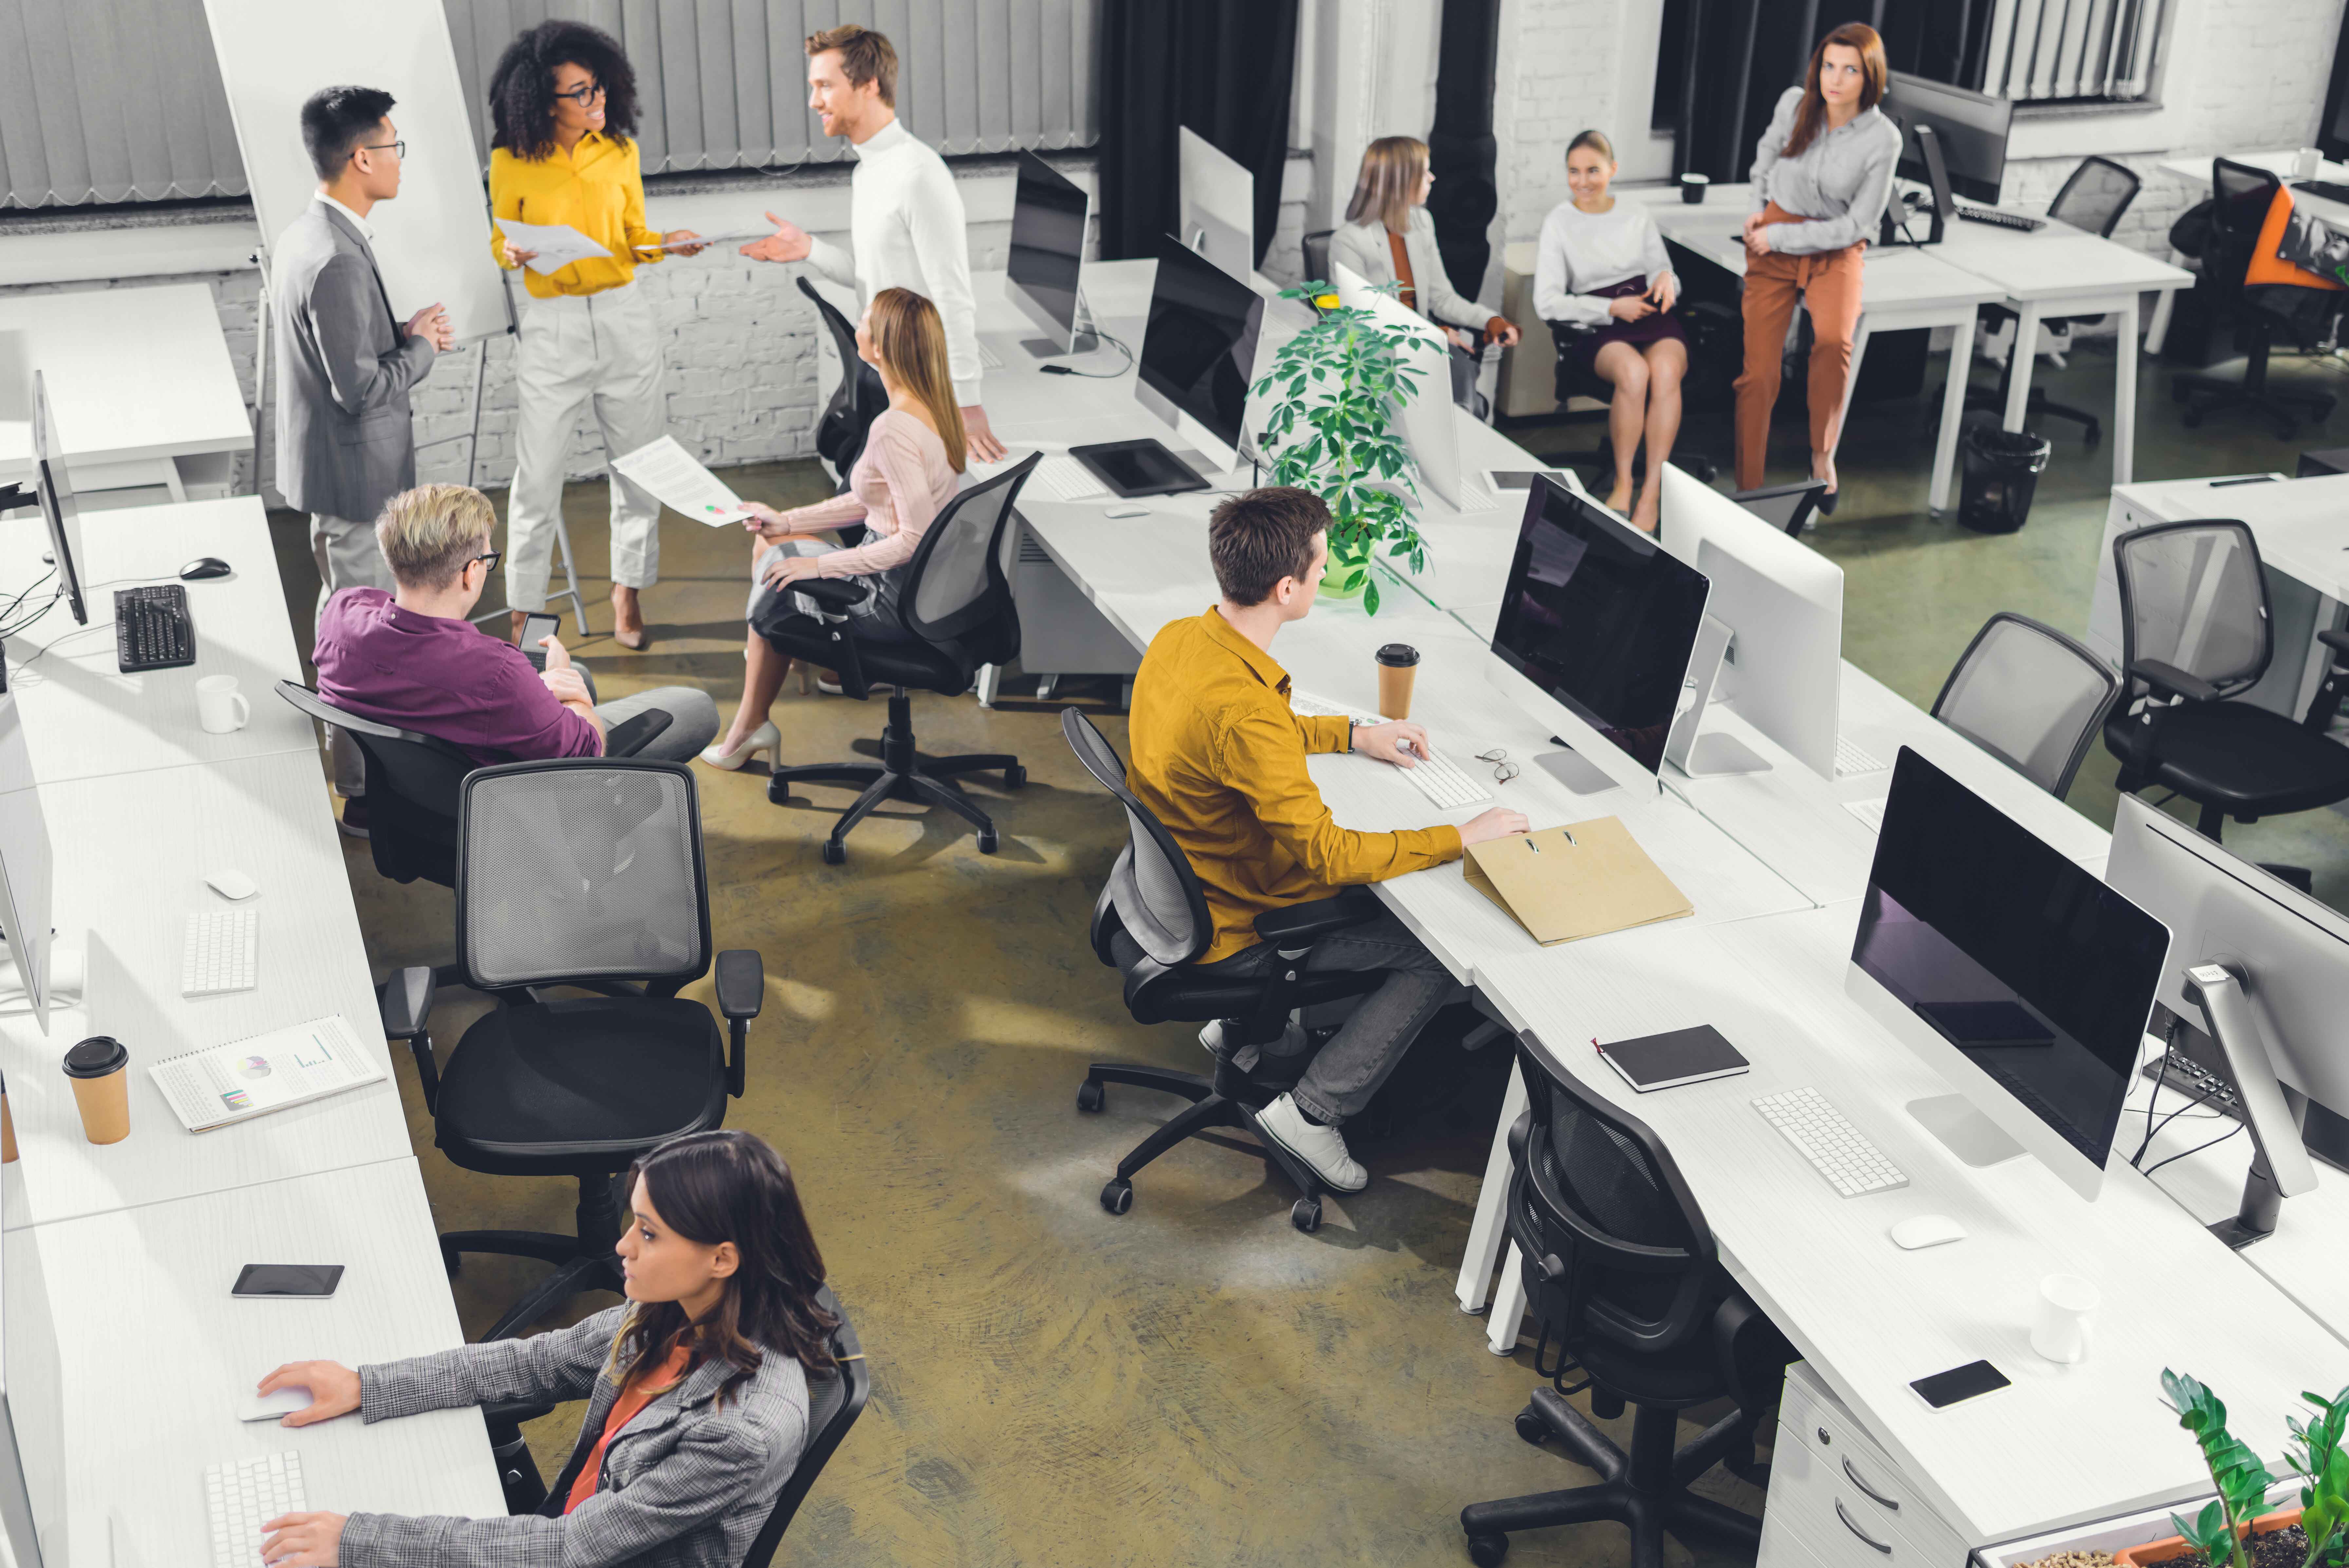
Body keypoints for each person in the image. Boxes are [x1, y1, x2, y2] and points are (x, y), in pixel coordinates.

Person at [1125, 487, 1529, 1193]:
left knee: (1388, 902)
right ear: (1288, 588)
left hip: (1181, 892)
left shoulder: (1182, 638)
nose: (1321, 577)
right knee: (1437, 954)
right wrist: (1459, 834)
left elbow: (1248, 739)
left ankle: (1243, 1029)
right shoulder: (1247, 709)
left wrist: (1351, 733)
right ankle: (1313, 1111)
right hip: (1239, 919)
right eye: (1319, 569)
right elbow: (1330, 854)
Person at [252, 1131, 832, 1568]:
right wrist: (370, 1386)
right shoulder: (673, 1307)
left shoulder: (738, 1432)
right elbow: (539, 1362)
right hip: (575, 1525)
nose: (622, 1246)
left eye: (649, 1233)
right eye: (634, 1221)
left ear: (722, 1258)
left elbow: (572, 1547)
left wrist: (358, 1540)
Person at [487, 19, 705, 652]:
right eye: (580, 93)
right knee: (537, 478)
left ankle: (627, 592)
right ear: (541, 101)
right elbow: (502, 239)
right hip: (553, 329)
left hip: (622, 316)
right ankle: (527, 613)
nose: (597, 100)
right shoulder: (511, 162)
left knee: (639, 467)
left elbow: (633, 236)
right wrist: (514, 253)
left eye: (599, 87)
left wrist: (666, 243)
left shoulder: (621, 152)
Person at [272, 85, 453, 839]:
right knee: (363, 643)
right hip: (357, 478)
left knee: (342, 618)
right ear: (361, 158)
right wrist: (421, 348)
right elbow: (360, 390)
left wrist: (396, 332)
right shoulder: (337, 260)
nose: (401, 160)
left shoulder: (310, 234)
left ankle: (355, 773)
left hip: (334, 472)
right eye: (395, 146)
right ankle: (361, 792)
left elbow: (339, 359)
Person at [703, 288, 965, 771]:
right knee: (771, 539)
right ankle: (772, 673)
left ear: (881, 348)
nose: (857, 330)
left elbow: (911, 540)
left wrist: (819, 564)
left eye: (863, 324)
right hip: (928, 589)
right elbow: (871, 499)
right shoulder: (932, 404)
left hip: (890, 601)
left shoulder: (893, 429)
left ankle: (751, 714)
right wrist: (789, 520)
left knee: (776, 578)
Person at [738, 24, 1006, 463]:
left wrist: (968, 402)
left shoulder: (918, 175)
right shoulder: (869, 171)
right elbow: (875, 277)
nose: (814, 101)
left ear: (869, 85)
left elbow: (952, 295)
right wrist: (810, 249)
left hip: (919, 387)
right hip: (883, 375)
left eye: (825, 86)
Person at [313, 484, 719, 766]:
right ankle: (587, 815)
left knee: (571, 674)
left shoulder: (340, 614)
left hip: (422, 793)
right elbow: (587, 750)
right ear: (471, 574)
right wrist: (569, 688)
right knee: (696, 707)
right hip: (502, 800)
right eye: (489, 560)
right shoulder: (497, 672)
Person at [1735, 21, 1901, 511]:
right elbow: (1767, 151)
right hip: (1773, 241)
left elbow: (1858, 224)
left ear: (1870, 78)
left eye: (1850, 70)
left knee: (1833, 341)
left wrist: (1780, 234)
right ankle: (1749, 488)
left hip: (1834, 247)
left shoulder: (1883, 139)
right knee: (1759, 374)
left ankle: (1822, 456)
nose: (1836, 79)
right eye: (1829, 66)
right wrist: (1756, 203)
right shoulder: (1794, 103)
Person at [1533, 130, 1686, 533]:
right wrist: (1608, 307)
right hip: (1598, 318)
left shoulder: (1635, 212)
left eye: (1593, 171)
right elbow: (1546, 302)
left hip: (1647, 308)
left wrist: (1668, 279)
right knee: (1634, 373)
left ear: (1613, 170)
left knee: (1666, 371)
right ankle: (1623, 482)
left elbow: (1660, 268)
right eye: (1573, 171)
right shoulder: (1558, 222)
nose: (1582, 181)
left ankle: (1651, 490)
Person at [1330, 136, 1522, 410]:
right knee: (1457, 394)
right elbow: (1361, 325)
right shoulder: (1349, 241)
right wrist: (1436, 334)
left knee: (1461, 388)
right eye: (1424, 172)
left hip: (1422, 350)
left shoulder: (1421, 222)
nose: (1432, 178)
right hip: (1376, 360)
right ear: (1401, 181)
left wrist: (1490, 320)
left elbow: (1441, 297)